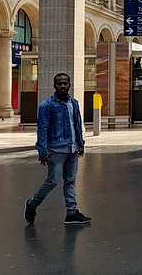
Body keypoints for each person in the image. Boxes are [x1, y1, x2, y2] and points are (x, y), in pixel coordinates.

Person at [24, 73, 92, 225]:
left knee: (70, 181)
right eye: (59, 84)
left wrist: (80, 144)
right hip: (56, 150)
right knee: (53, 180)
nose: (62, 86)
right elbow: (42, 129)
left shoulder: (74, 103)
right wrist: (42, 151)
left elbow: (77, 125)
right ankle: (32, 204)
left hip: (73, 148)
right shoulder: (46, 106)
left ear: (69, 85)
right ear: (54, 86)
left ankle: (71, 213)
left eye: (65, 83)